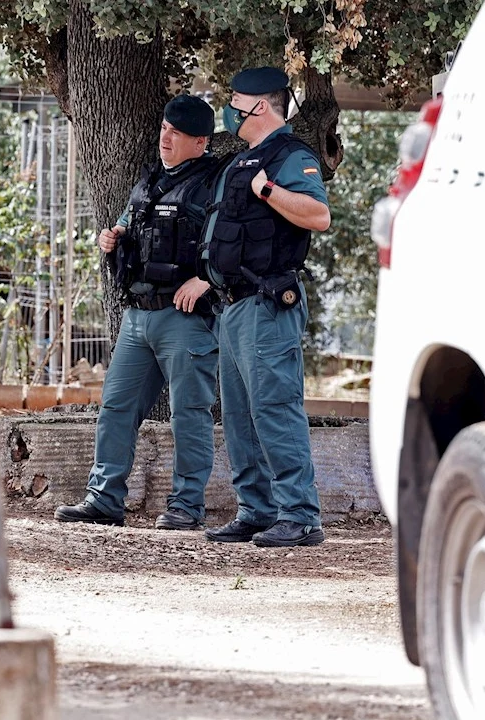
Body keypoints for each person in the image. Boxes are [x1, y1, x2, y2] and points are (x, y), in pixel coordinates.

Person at [54, 94, 223, 531]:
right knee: (116, 407)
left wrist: (208, 280)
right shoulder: (148, 182)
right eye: (164, 128)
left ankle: (187, 506)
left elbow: (231, 245)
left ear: (200, 142)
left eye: (177, 133)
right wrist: (111, 239)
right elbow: (130, 226)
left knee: (189, 412)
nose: (165, 137)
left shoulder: (214, 185)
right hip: (138, 316)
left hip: (185, 319)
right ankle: (104, 497)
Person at [200, 67, 331, 548]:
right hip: (232, 308)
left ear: (260, 107)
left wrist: (269, 190)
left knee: (275, 408)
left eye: (235, 100)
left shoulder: (290, 156)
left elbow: (319, 216)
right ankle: (257, 510)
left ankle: (300, 515)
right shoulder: (243, 160)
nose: (229, 109)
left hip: (267, 305)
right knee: (238, 415)